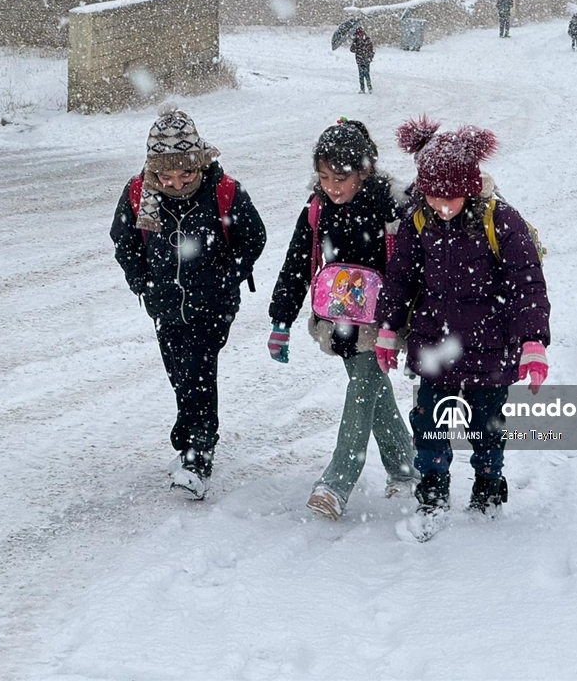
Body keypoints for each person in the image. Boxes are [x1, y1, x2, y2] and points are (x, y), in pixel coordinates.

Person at [374, 116, 551, 532]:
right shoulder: (419, 220)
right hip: (434, 344)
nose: (442, 205)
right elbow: (400, 277)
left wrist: (533, 342)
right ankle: (432, 493)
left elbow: (527, 284)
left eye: (451, 197)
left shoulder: (501, 221)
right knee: (429, 424)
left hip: (490, 348)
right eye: (434, 196)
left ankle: (488, 488)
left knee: (485, 425)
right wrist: (387, 329)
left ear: (470, 188)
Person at [110, 106, 266, 500]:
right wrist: (140, 279)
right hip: (163, 303)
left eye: (186, 174)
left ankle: (199, 452)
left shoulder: (224, 191)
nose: (176, 183)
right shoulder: (139, 194)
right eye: (166, 175)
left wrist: (225, 276)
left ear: (200, 163)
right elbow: (123, 241)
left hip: (212, 304)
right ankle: (188, 430)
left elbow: (255, 238)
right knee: (178, 370)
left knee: (198, 367)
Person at [268, 118, 418, 519]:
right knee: (370, 387)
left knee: (364, 384)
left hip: (382, 318)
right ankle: (406, 469)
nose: (332, 186)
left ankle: (337, 481)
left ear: (365, 170)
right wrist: (280, 320)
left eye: (340, 177)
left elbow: (414, 262)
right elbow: (297, 263)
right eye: (323, 176)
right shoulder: (317, 208)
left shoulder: (391, 204)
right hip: (339, 318)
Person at [349, 26, 374, 94]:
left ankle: (370, 88)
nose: (359, 36)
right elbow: (351, 50)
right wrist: (355, 44)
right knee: (361, 75)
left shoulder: (367, 40)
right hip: (359, 60)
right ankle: (362, 89)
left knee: (366, 74)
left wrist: (370, 57)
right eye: (358, 34)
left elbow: (371, 50)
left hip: (366, 60)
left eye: (360, 34)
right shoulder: (356, 41)